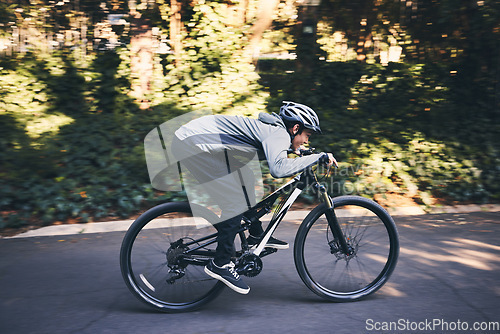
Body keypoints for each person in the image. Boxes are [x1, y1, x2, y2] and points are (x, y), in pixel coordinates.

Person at [171, 101, 336, 294]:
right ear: (295, 127)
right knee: (235, 201)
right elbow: (278, 169)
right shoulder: (279, 134)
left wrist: (301, 153)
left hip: (199, 142)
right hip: (193, 143)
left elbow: (277, 151)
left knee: (246, 179)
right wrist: (319, 157)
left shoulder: (276, 132)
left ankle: (256, 236)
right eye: (307, 135)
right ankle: (221, 263)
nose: (307, 141)